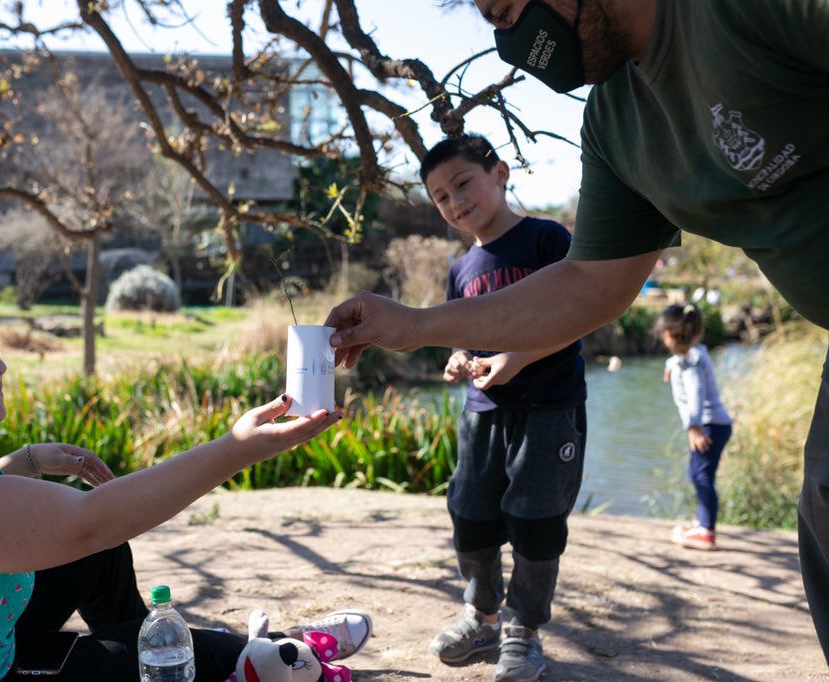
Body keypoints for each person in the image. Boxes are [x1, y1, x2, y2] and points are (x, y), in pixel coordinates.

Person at [325, 0, 829, 667]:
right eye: (494, 26)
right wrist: (413, 326)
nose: (512, 43)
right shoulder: (616, 122)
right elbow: (589, 284)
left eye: (507, 11)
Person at [0, 280, 373, 681]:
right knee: (214, 658)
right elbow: (89, 522)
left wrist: (24, 460)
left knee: (93, 563)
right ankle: (267, 652)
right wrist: (236, 449)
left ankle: (141, 648)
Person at [419, 135, 586, 682]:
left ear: (500, 174)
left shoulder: (546, 239)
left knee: (536, 523)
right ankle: (482, 615)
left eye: (463, 183)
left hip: (548, 409)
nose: (455, 201)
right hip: (481, 413)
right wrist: (459, 356)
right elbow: (462, 335)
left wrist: (519, 356)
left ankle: (523, 630)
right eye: (441, 197)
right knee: (470, 515)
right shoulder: (460, 269)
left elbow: (579, 316)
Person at [655, 303, 733, 551]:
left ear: (667, 335)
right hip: (715, 424)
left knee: (700, 475)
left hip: (707, 425)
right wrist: (670, 365)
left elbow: (696, 392)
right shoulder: (691, 356)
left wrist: (694, 427)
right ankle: (701, 523)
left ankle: (706, 531)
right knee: (700, 473)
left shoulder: (690, 362)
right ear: (697, 332)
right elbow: (682, 364)